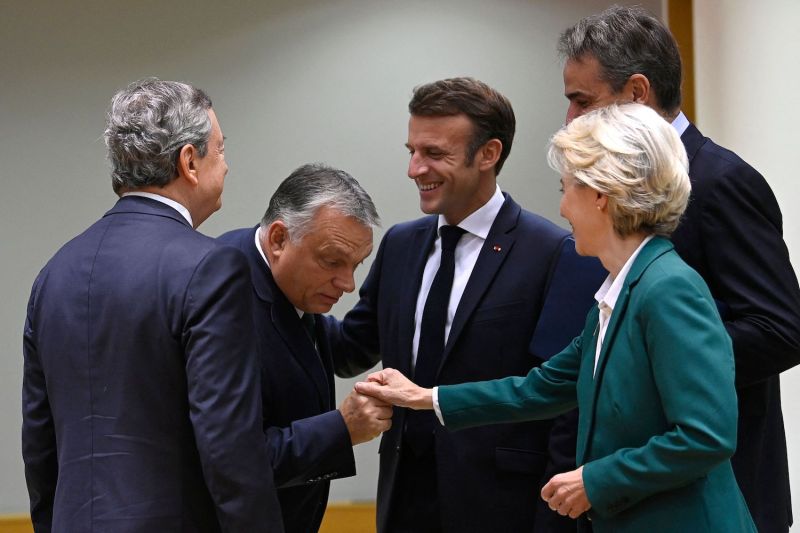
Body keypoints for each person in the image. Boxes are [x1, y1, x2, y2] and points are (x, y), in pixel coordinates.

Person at [357, 103, 757, 533]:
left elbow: (705, 437)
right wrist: (425, 397)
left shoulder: (668, 289)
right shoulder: (620, 292)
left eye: (566, 188)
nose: (563, 208)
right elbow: (540, 388)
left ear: (601, 196)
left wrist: (594, 479)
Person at [557, 6, 800, 531]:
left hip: (720, 492)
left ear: (638, 92)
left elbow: (781, 330)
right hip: (638, 490)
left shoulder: (721, 181)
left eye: (583, 100)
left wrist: (658, 357)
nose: (572, 119)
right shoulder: (611, 182)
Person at [327, 77, 606, 533]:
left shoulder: (553, 252)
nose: (415, 169)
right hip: (404, 499)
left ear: (488, 154)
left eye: (434, 154)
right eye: (412, 151)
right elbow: (350, 348)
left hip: (504, 506)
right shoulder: (400, 245)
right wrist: (275, 288)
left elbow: (565, 404)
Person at [22, 79, 283, 532]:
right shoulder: (212, 267)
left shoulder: (54, 273)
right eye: (220, 150)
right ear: (189, 162)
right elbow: (228, 444)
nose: (227, 166)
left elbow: (40, 444)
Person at [217, 163, 392, 532]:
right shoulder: (222, 297)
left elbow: (336, 349)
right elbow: (236, 462)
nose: (347, 284)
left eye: (356, 265)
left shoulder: (281, 282)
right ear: (279, 238)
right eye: (332, 262)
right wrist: (342, 428)